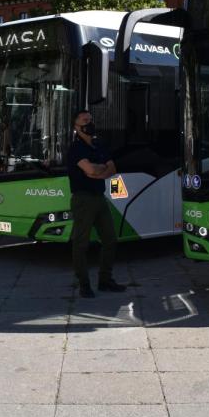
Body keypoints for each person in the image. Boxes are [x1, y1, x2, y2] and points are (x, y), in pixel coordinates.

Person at [67, 110, 125, 298]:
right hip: (83, 199)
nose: (89, 123)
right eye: (84, 120)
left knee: (110, 239)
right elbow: (91, 169)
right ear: (76, 126)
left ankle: (105, 280)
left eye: (90, 119)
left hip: (100, 197)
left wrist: (96, 171)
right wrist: (99, 169)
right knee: (81, 244)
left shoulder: (98, 144)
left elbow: (112, 169)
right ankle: (84, 285)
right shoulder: (76, 148)